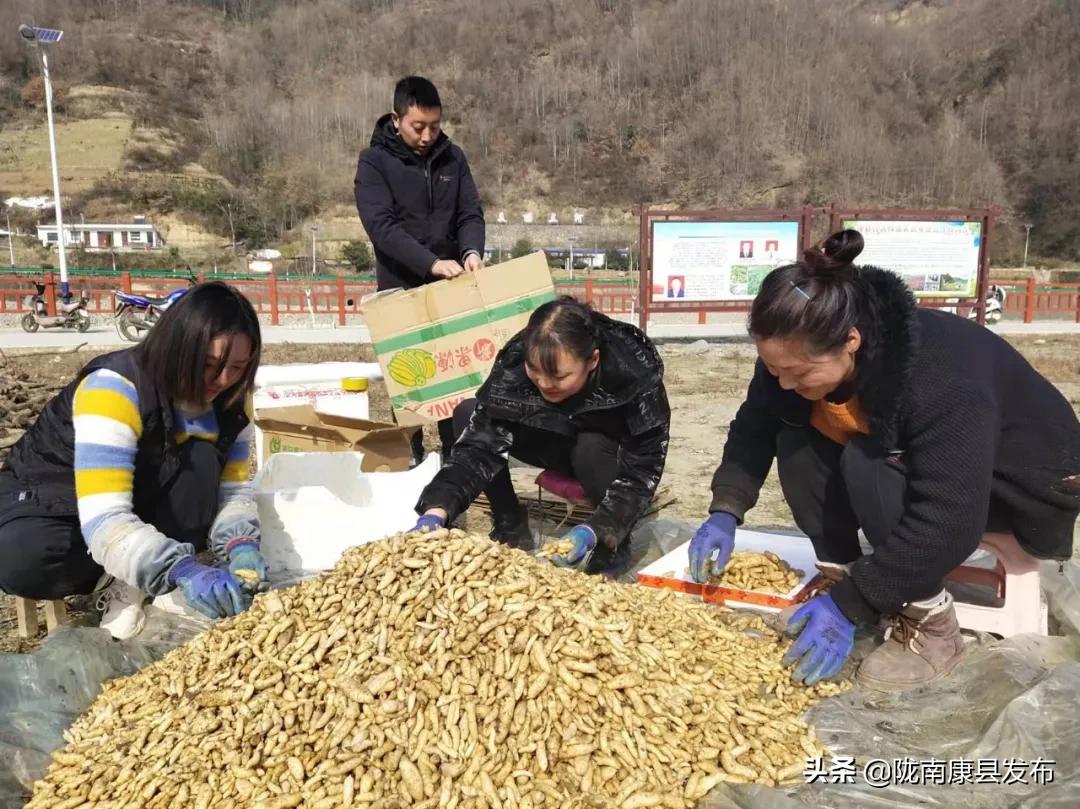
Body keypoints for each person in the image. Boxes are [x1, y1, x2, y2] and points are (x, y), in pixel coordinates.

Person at [688, 230, 1080, 691]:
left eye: (799, 372)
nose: (785, 382)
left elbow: (950, 519)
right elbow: (755, 425)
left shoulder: (942, 376)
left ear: (850, 340)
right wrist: (725, 510)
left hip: (1020, 481)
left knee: (867, 463)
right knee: (796, 441)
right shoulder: (792, 352)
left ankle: (931, 625)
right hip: (919, 462)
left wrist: (853, 605)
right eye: (775, 369)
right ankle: (847, 576)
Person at [0, 283, 270, 640]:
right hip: (58, 502)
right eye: (208, 365)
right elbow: (106, 517)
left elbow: (234, 491)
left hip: (142, 493)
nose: (222, 381)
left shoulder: (233, 403)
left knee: (202, 460)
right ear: (178, 350)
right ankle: (129, 577)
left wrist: (241, 543)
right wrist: (180, 569)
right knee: (23, 557)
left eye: (237, 368)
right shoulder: (114, 388)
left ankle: (144, 576)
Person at [412, 297, 670, 574]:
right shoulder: (515, 361)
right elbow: (479, 446)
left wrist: (598, 530)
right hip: (550, 437)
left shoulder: (632, 369)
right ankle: (510, 523)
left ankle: (612, 547)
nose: (545, 384)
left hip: (602, 457)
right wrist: (437, 508)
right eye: (534, 372)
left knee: (590, 447)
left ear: (593, 360)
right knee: (467, 412)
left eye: (559, 377)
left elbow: (642, 468)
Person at [354, 75, 485, 464]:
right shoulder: (374, 163)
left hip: (451, 284)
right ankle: (409, 453)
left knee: (454, 372)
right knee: (408, 374)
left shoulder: (453, 158)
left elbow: (469, 212)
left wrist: (471, 251)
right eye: (418, 126)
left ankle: (452, 453)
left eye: (435, 125)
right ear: (396, 119)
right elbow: (382, 227)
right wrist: (429, 263)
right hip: (400, 286)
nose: (428, 135)